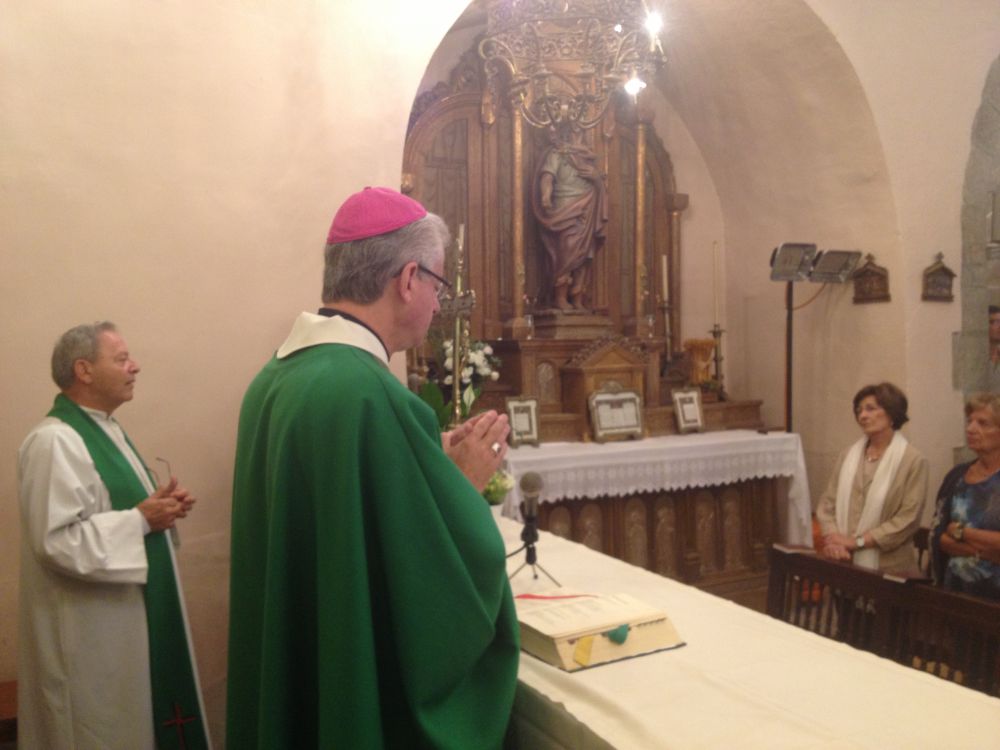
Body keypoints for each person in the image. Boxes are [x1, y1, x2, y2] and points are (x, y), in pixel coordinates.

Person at [226, 187, 520, 749]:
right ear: (408, 280)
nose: (437, 306)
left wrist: (425, 458)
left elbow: (351, 516)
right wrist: (463, 483)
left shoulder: (277, 378)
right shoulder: (369, 395)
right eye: (437, 286)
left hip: (300, 665)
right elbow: (422, 587)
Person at [17, 322, 209, 750]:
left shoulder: (107, 431)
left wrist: (162, 510)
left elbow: (114, 515)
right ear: (83, 370)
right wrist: (141, 521)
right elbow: (55, 543)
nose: (134, 366)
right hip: (88, 640)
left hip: (122, 630)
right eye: (121, 359)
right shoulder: (54, 442)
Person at [815, 382, 928, 571]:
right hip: (843, 559)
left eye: (870, 409)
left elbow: (908, 518)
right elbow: (827, 504)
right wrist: (835, 540)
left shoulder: (913, 461)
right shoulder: (848, 455)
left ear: (892, 414)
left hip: (890, 566)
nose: (862, 416)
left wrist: (857, 543)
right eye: (859, 411)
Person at [929, 393, 1000, 600]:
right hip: (957, 592)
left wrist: (961, 532)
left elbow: (951, 532)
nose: (971, 429)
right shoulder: (957, 476)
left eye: (983, 423)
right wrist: (982, 551)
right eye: (970, 421)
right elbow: (938, 536)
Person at [533, 123, 608, 311]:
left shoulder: (588, 160)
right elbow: (547, 177)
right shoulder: (557, 154)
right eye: (574, 131)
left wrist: (597, 179)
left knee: (584, 256)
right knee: (566, 252)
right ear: (565, 133)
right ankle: (560, 297)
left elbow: (601, 185)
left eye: (580, 132)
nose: (578, 136)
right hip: (565, 209)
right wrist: (545, 196)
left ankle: (577, 297)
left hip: (587, 209)